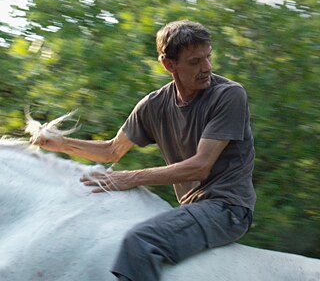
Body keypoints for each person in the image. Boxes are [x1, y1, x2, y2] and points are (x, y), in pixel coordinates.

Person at [33, 20, 256, 281]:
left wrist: (128, 178)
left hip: (228, 209)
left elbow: (200, 166)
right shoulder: (153, 105)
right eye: (195, 61)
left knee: (141, 241)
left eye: (208, 57)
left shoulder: (229, 95)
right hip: (189, 209)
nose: (206, 67)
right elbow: (111, 152)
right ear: (169, 65)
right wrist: (61, 144)